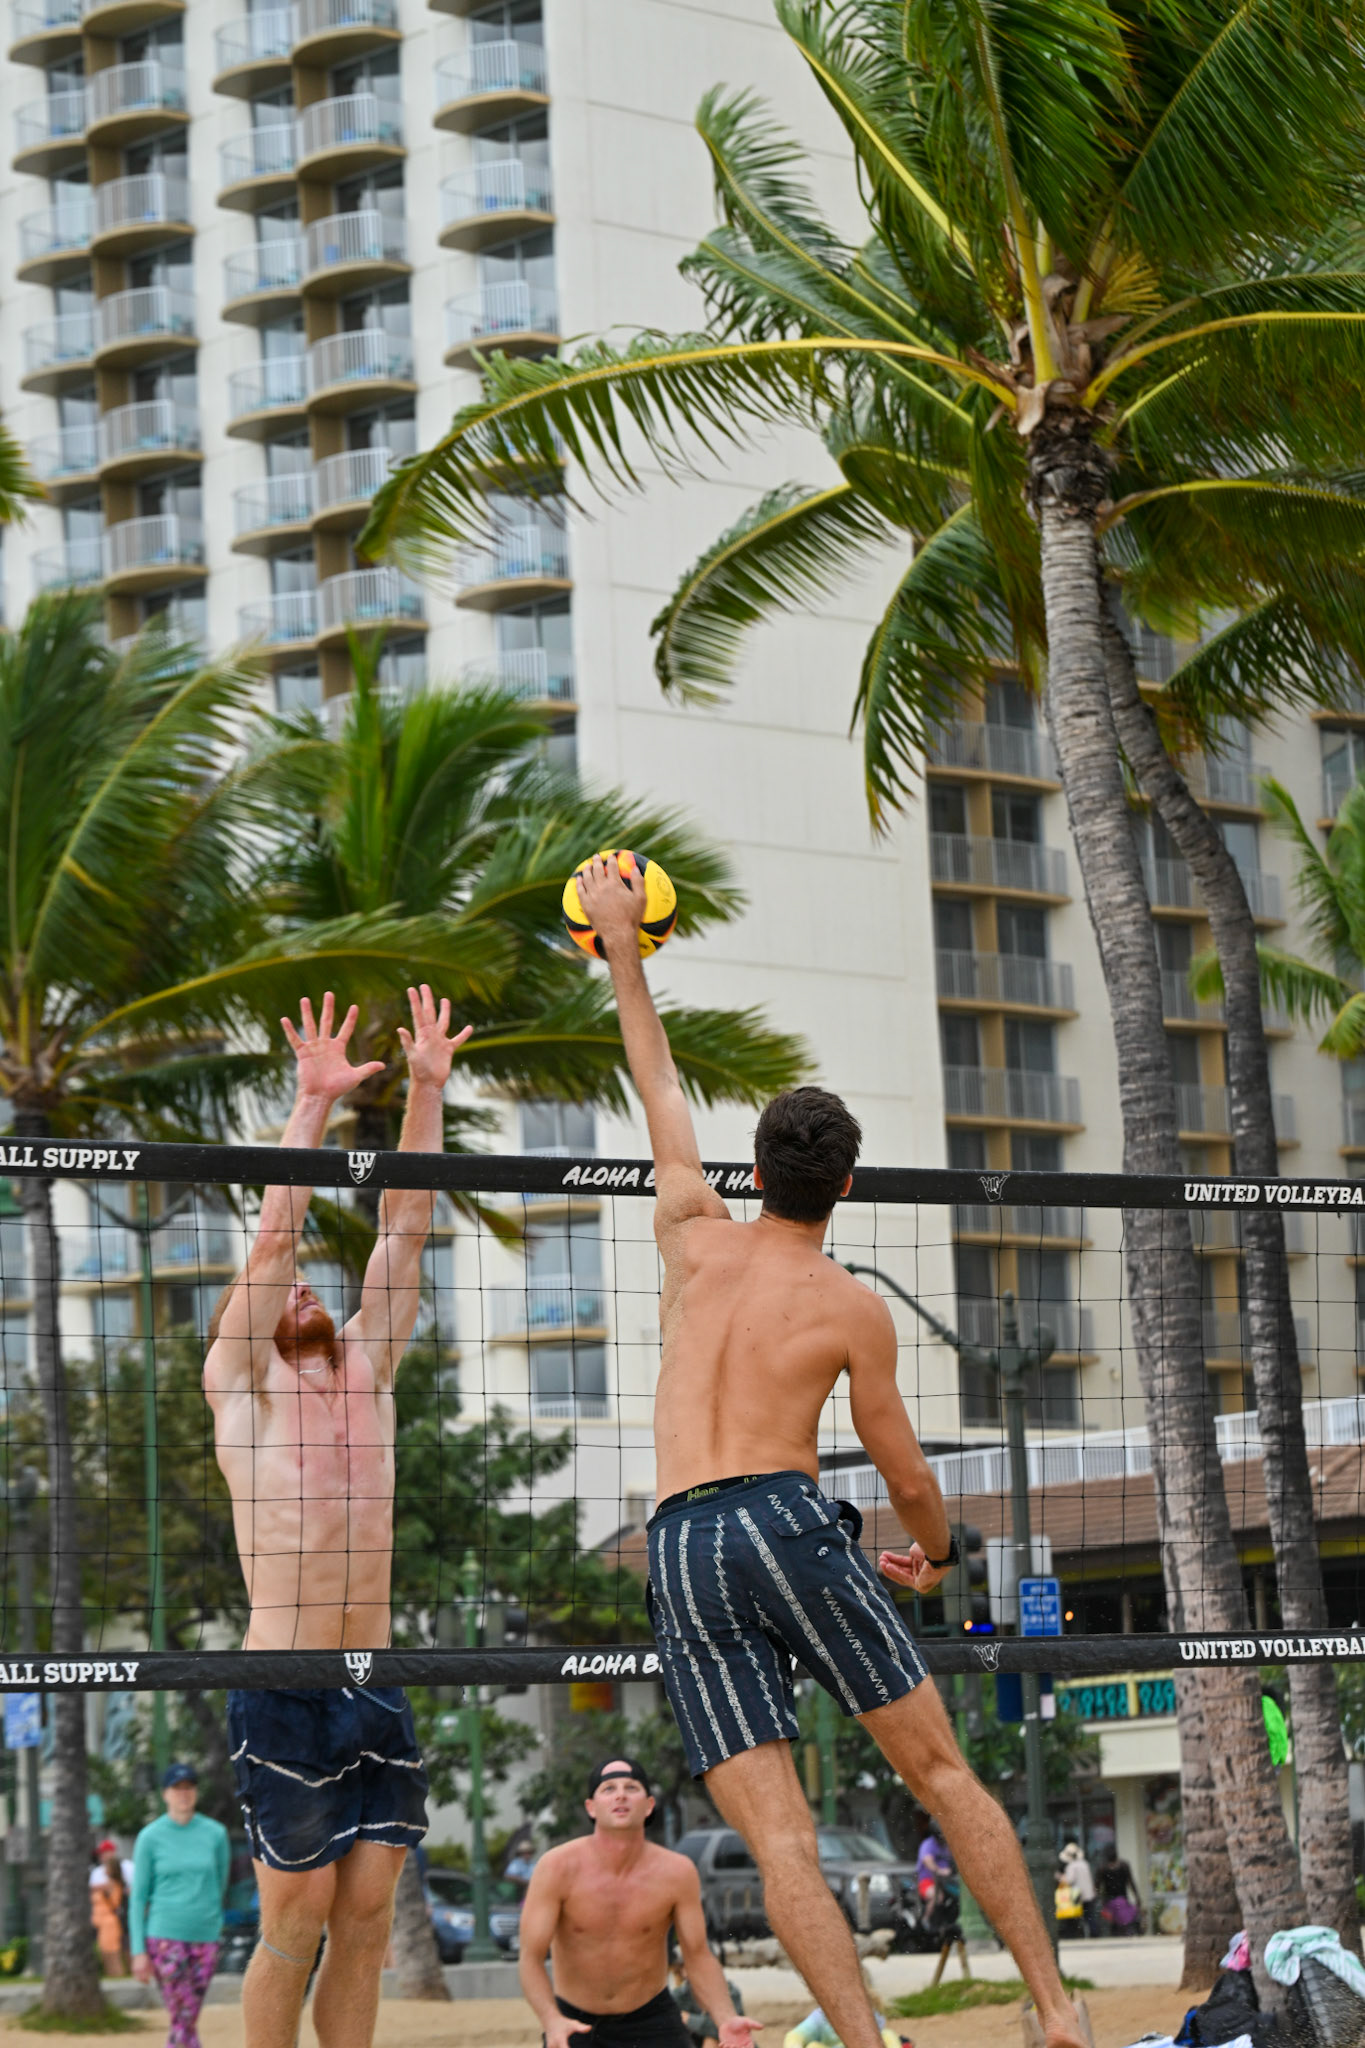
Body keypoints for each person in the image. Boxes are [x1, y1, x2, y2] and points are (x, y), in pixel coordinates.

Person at [575, 856, 1089, 2048]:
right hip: (779, 1515)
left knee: (782, 1837)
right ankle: (1058, 2012)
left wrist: (622, 947)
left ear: (754, 1174)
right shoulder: (851, 1303)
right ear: (845, 1184)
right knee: (944, 1776)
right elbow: (906, 1478)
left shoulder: (692, 1236)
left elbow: (655, 1077)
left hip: (680, 1543)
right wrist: (934, 1553)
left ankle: (866, 2046)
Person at [204, 986, 470, 2048]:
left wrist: (424, 1089)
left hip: (378, 1679)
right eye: (291, 1293)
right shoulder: (241, 1383)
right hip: (285, 1685)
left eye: (320, 1284)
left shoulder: (369, 1364)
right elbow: (273, 1242)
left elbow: (406, 1220)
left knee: (364, 1927)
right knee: (294, 1922)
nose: (306, 1288)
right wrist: (310, 1105)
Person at [518, 1756, 761, 2048]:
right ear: (591, 1808)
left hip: (652, 2019)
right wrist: (551, 2020)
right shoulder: (556, 1867)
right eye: (608, 1788)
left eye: (631, 1787)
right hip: (575, 2023)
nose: (620, 1794)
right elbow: (530, 1958)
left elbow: (697, 1955)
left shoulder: (677, 1872)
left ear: (648, 1806)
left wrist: (725, 2018)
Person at [130, 1763, 230, 2048]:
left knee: (186, 2016)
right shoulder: (150, 1837)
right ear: (165, 1794)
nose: (183, 1794)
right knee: (183, 2014)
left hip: (206, 1935)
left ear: (196, 1792)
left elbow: (220, 1883)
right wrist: (138, 1951)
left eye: (189, 1787)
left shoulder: (216, 1834)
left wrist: (214, 1920)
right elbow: (138, 1898)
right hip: (165, 1937)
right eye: (177, 1788)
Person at [782, 1968, 906, 2048]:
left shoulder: (870, 2016)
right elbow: (795, 2036)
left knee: (887, 2034)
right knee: (813, 2046)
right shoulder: (822, 2016)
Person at [668, 1952, 743, 2048]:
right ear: (683, 1971)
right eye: (691, 1966)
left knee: (712, 2039)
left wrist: (689, 2019)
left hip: (731, 2043)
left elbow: (729, 2027)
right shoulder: (678, 1996)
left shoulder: (729, 1991)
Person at [91, 1843, 130, 1978]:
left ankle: (118, 1975)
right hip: (101, 1920)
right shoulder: (98, 1874)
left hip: (110, 1920)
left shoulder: (117, 1880)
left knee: (112, 1952)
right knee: (105, 1952)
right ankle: (113, 1974)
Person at [1096, 1845, 1141, 1935]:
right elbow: (1131, 1882)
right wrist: (1137, 1897)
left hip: (1109, 1901)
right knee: (1124, 1923)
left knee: (1114, 1925)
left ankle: (1117, 1933)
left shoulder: (1102, 1868)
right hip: (1122, 1900)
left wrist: (1099, 1900)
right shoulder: (1124, 1865)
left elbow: (1097, 1886)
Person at [1060, 1843, 1098, 1941]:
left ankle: (1073, 1934)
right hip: (1088, 1894)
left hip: (1077, 1894)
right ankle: (1094, 1934)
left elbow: (1069, 1880)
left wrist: (1060, 1877)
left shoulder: (1071, 1866)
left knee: (1074, 1916)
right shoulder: (1084, 1864)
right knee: (1089, 1916)